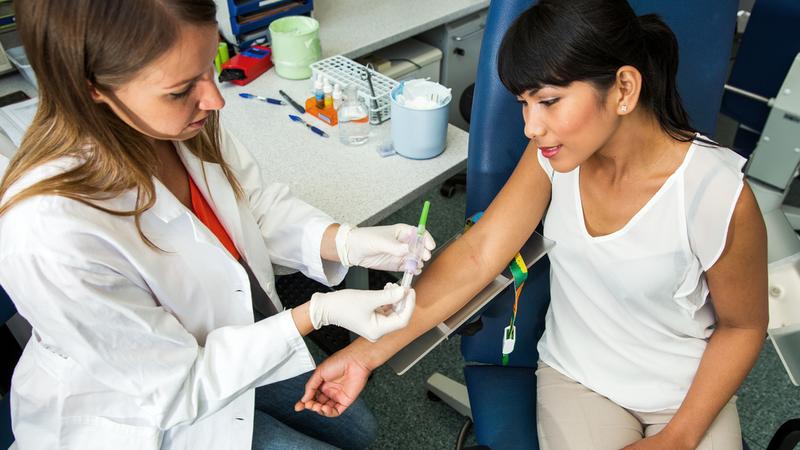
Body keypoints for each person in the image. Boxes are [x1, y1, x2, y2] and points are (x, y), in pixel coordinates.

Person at [296, 1, 769, 449]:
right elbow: (479, 255)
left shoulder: (715, 195)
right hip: (581, 380)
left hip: (685, 393)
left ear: (624, 89)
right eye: (524, 103)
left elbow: (743, 326)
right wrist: (363, 353)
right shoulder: (554, 158)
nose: (530, 126)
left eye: (548, 101)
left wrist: (681, 436)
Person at [0, 1, 435, 449]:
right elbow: (179, 387)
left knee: (359, 430)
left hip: (230, 339)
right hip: (148, 411)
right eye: (181, 88)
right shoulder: (49, 233)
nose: (215, 99)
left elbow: (252, 205)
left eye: (210, 67)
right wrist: (315, 313)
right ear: (92, 87)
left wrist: (345, 242)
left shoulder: (186, 121)